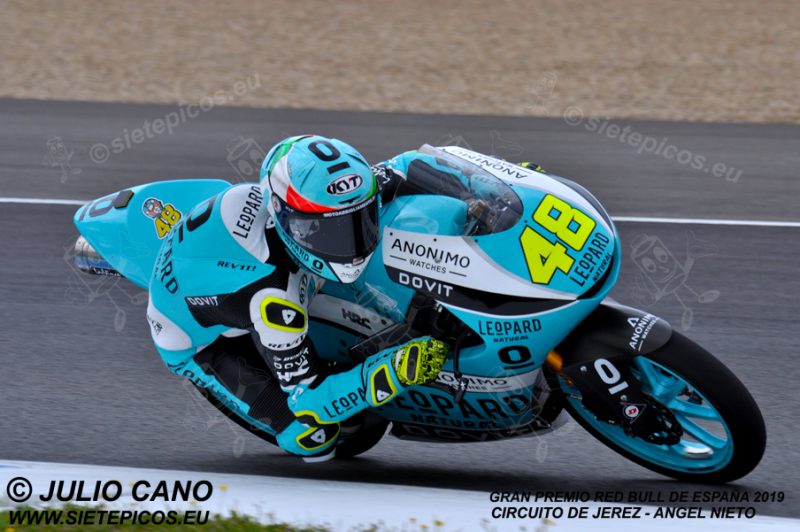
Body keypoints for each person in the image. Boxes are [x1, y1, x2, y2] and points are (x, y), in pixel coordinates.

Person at [146, 135, 448, 461]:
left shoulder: (326, 200)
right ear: (282, 216)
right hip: (199, 339)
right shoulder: (275, 298)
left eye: (359, 221)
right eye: (327, 232)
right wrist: (395, 370)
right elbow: (309, 402)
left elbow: (408, 165)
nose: (351, 244)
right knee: (311, 436)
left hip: (214, 257)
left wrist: (485, 184)